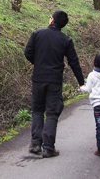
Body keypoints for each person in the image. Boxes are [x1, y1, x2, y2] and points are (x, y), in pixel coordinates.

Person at [24, 9, 85, 158]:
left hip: (38, 78)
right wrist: (81, 82)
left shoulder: (37, 34)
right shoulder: (66, 40)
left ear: (52, 21)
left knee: (37, 111)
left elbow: (27, 52)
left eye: (50, 17)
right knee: (52, 113)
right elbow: (73, 62)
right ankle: (49, 148)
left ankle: (36, 144)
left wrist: (37, 63)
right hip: (54, 81)